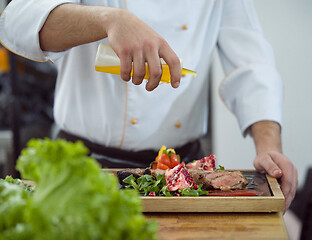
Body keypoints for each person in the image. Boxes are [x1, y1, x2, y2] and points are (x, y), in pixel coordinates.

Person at [0, 0, 297, 211]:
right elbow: (18, 21)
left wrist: (269, 144)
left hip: (183, 174)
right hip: (82, 166)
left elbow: (251, 63)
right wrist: (108, 19)